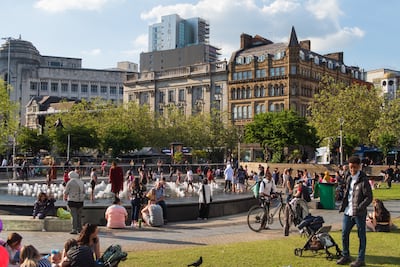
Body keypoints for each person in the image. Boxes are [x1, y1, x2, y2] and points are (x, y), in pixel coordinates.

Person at [337, 156, 373, 267]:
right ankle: (346, 255)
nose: (352, 169)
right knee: (344, 233)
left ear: (359, 166)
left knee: (361, 235)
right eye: (350, 167)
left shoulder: (363, 180)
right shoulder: (348, 176)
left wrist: (360, 207)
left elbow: (369, 197)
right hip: (348, 211)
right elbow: (347, 192)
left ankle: (361, 259)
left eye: (354, 167)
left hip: (359, 213)